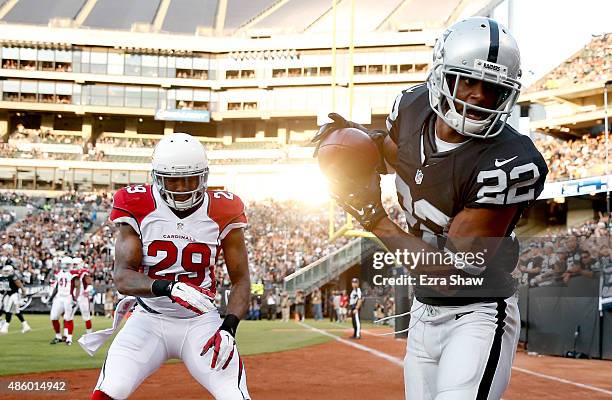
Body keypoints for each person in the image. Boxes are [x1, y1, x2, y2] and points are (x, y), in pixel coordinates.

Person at [314, 17, 548, 399]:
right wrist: (351, 143)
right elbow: (392, 155)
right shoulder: (411, 107)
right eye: (468, 80)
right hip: (424, 311)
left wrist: (374, 219)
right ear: (441, 75)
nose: (479, 96)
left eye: (492, 87)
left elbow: (450, 269)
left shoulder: (509, 161)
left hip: (477, 312)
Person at [89, 133, 251, 400]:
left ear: (204, 177)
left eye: (190, 178)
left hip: (201, 321)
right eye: (173, 179)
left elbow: (242, 280)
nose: (182, 187)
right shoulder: (137, 203)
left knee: (234, 395)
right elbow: (122, 277)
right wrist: (168, 288)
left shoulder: (224, 207)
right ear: (156, 177)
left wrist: (229, 327)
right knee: (110, 390)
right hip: (148, 318)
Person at [47, 257, 80, 344]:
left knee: (68, 317)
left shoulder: (73, 273)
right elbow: (57, 286)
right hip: (59, 297)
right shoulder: (59, 273)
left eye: (66, 264)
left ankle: (69, 338)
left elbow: (78, 286)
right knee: (54, 317)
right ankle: (58, 336)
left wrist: (75, 298)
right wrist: (51, 298)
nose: (65, 265)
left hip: (68, 297)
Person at [0, 265, 31, 334]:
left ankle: (5, 327)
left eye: (7, 271)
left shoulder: (13, 276)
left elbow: (20, 285)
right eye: (5, 271)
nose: (5, 272)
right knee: (17, 311)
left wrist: (24, 292)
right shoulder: (2, 277)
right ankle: (26, 326)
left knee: (8, 310)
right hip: (8, 294)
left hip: (14, 295)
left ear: (11, 271)